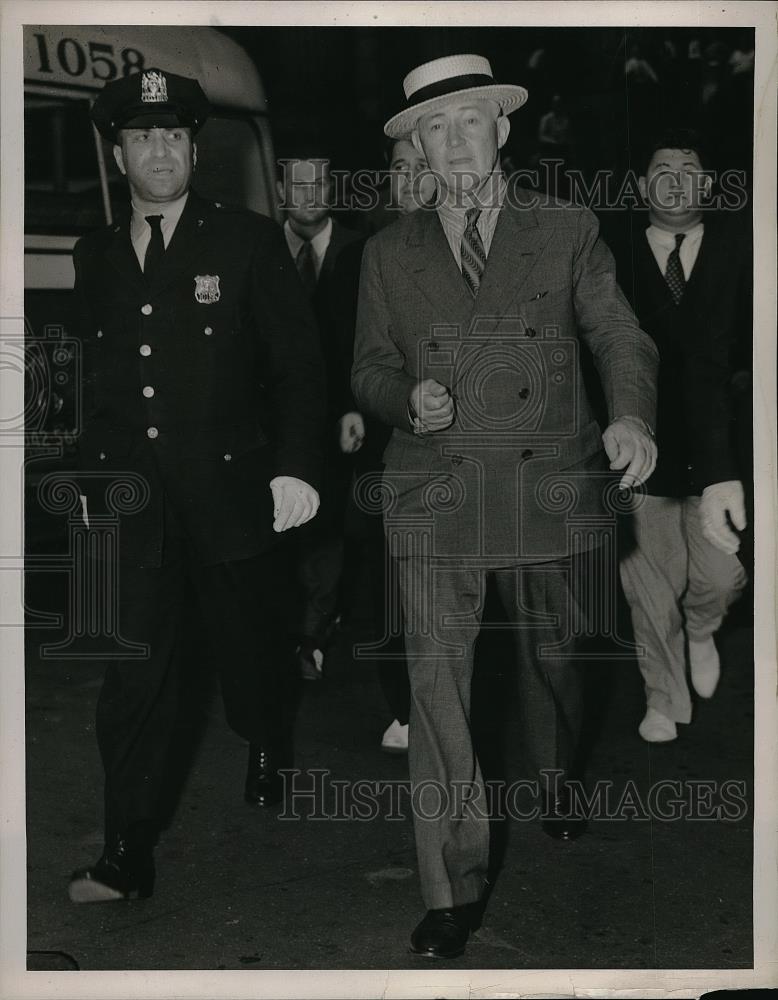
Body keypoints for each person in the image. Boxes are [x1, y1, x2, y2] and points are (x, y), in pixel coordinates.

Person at [351, 53, 659, 959]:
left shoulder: (563, 226)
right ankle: (453, 885)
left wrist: (631, 417)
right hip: (436, 493)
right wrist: (405, 399)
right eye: (434, 128)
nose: (454, 141)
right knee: (436, 694)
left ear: (502, 131)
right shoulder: (386, 251)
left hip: (548, 480)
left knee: (559, 664)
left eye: (470, 121)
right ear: (416, 145)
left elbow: (617, 331)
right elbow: (367, 366)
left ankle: (559, 772)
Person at [67, 69, 325, 902]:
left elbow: (297, 369)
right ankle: (123, 849)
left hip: (230, 495)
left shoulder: (247, 241)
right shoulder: (96, 253)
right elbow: (97, 378)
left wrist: (295, 466)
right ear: (119, 152)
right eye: (143, 137)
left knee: (249, 651)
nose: (160, 151)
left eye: (173, 136)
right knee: (134, 677)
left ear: (192, 148)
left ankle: (263, 736)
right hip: (132, 506)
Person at [612, 129, 749, 743]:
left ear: (709, 185)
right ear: (643, 186)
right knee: (648, 585)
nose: (673, 180)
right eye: (660, 169)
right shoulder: (610, 252)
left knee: (718, 577)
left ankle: (702, 627)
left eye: (688, 169)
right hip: (643, 452)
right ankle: (662, 698)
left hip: (720, 453)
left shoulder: (744, 247)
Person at [333, 136, 436, 753]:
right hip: (384, 444)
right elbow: (337, 348)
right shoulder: (361, 257)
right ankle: (403, 702)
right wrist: (349, 407)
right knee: (386, 577)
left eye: (421, 165)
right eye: (399, 167)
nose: (410, 177)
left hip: (459, 449)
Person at [277, 156, 361, 680]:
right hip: (277, 423)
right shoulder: (258, 247)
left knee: (331, 527)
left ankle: (315, 632)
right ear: (280, 190)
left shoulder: (364, 248)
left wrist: (354, 407)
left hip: (344, 421)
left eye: (319, 183)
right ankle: (293, 632)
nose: (309, 194)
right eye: (297, 184)